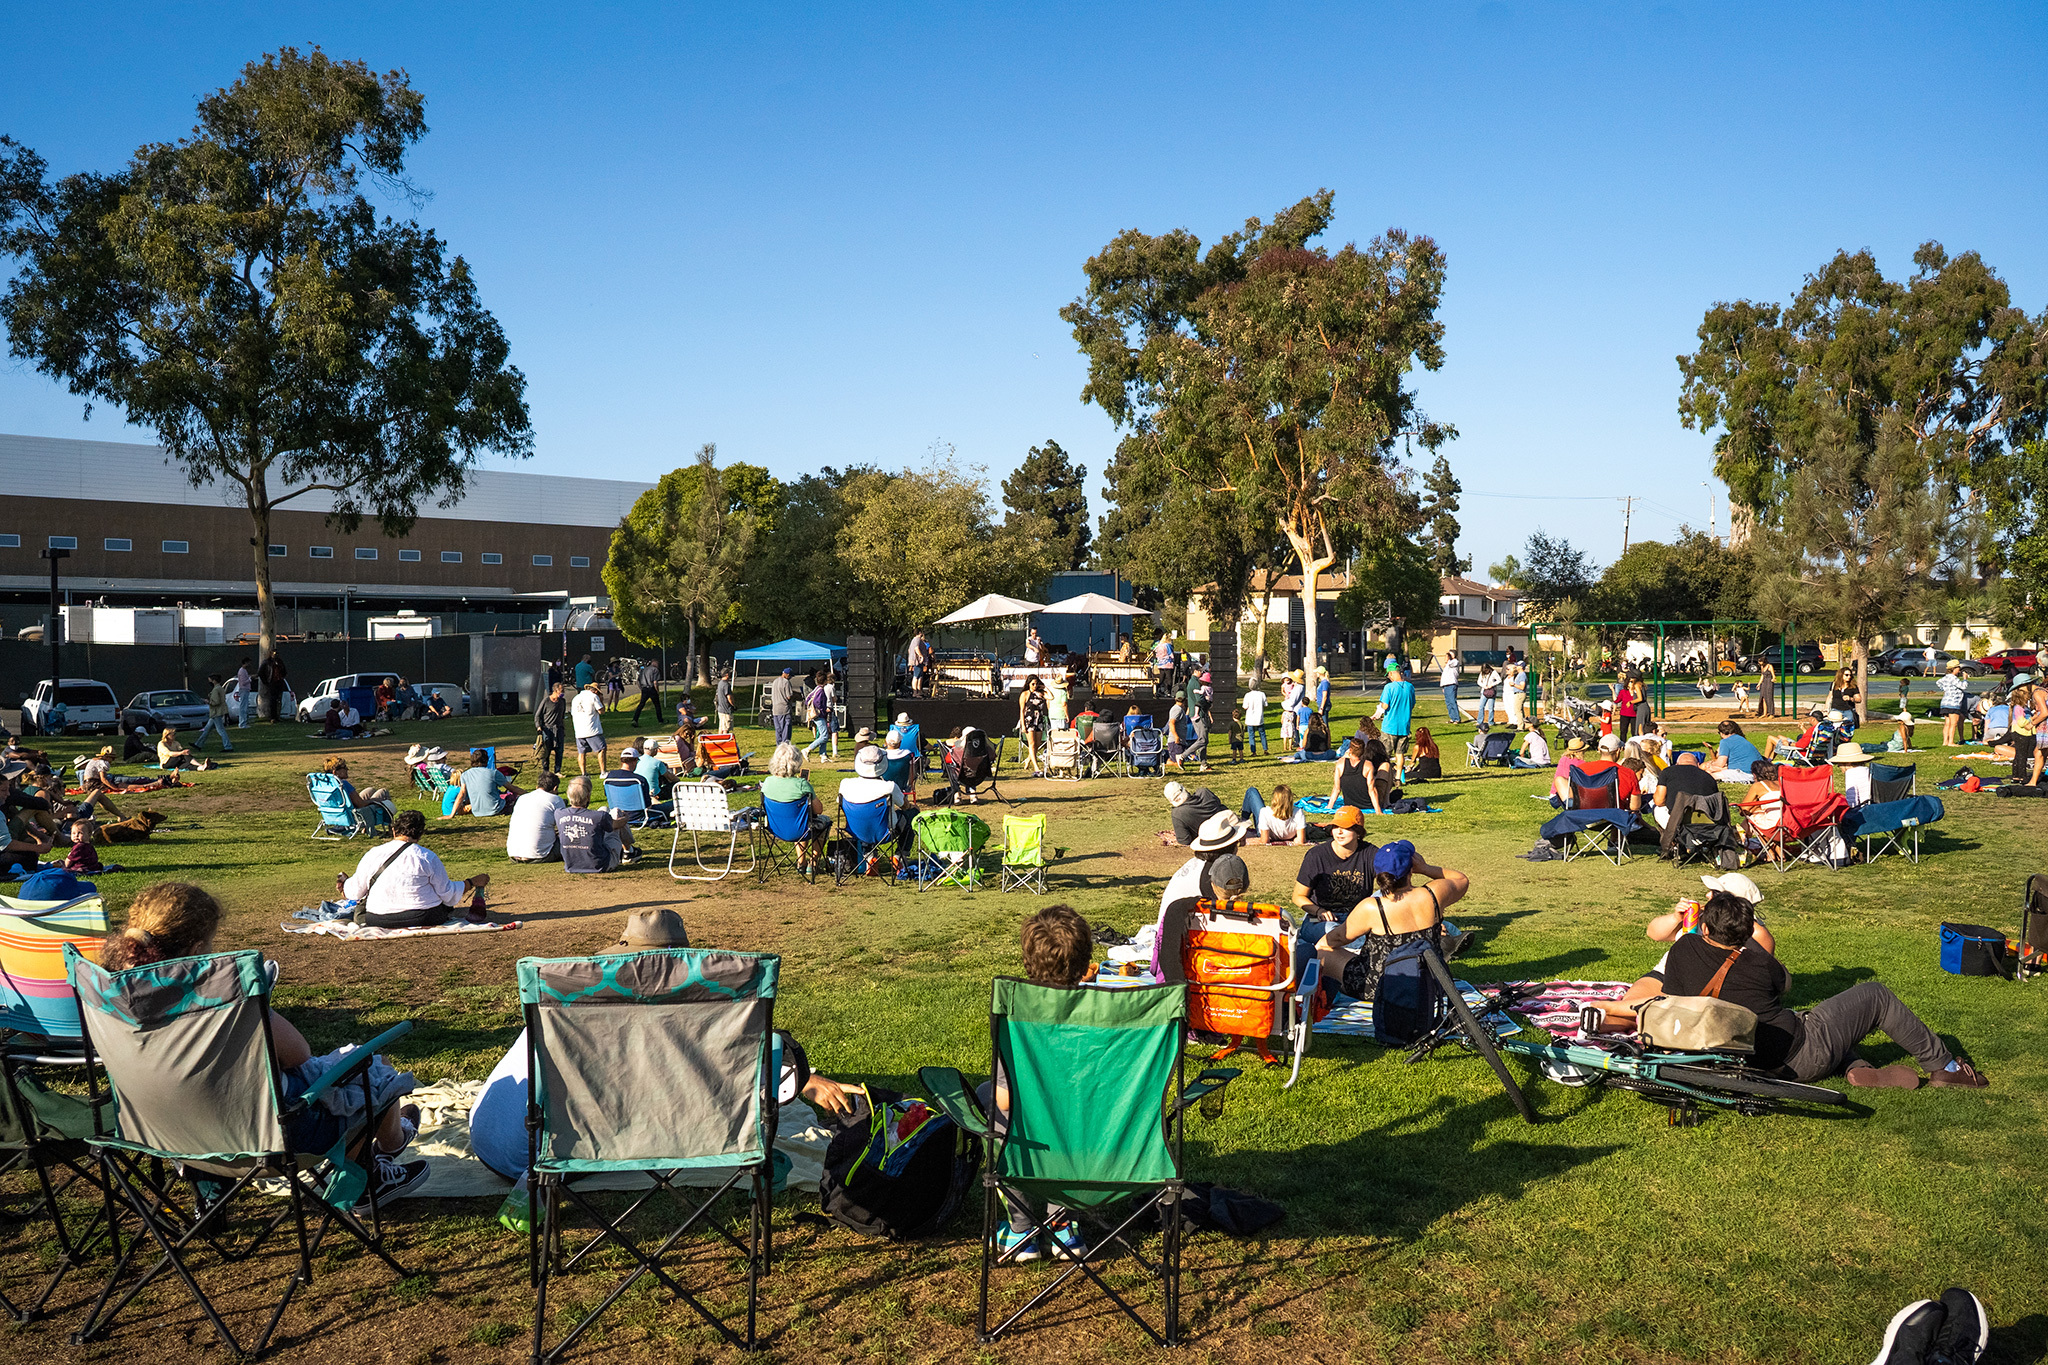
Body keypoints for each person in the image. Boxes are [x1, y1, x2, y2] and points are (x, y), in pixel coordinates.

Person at [466, 908, 859, 1186]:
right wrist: (801, 1081)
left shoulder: (569, 1000)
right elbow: (709, 1072)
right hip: (556, 1156)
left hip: (491, 1135)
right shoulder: (658, 1017)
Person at [100, 883, 427, 1202]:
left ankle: (211, 1198)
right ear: (196, 949)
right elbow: (298, 1053)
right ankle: (378, 1165)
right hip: (270, 1141)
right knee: (372, 1068)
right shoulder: (223, 998)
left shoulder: (112, 998)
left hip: (167, 1134)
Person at [1614, 888, 1985, 1089]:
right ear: (1747, 932)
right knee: (1873, 995)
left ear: (1705, 928)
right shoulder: (1760, 961)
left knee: (1826, 1024)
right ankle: (1945, 1066)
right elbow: (1783, 985)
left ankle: (1855, 1064)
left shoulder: (1683, 947)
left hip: (1727, 1056)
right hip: (1794, 1057)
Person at [982, 903, 1097, 1263]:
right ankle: (1062, 1223)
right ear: (1084, 963)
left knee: (988, 1097)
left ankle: (1020, 1229)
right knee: (1070, 1122)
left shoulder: (1019, 1019)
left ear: (1028, 962)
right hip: (1094, 1133)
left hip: (1033, 1131)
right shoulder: (1107, 1016)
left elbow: (1003, 1100)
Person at [1314, 841, 1469, 1001]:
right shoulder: (1433, 894)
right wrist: (1425, 867)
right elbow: (1461, 879)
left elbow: (1337, 938)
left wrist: (1319, 946)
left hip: (1382, 987)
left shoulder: (1372, 907)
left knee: (1321, 951)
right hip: (1429, 984)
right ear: (1411, 869)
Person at [342, 810, 491, 928]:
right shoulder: (426, 857)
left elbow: (354, 892)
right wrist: (472, 882)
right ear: (420, 834)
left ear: (394, 831)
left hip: (378, 918)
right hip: (423, 916)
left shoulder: (373, 854)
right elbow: (448, 894)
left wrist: (344, 884)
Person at [1291, 806, 1379, 923]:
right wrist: (1319, 911)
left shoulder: (1370, 853)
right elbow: (1298, 896)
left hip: (1357, 917)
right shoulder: (1316, 855)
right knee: (1335, 933)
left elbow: (1393, 881)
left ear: (1358, 831)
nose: (1339, 831)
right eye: (1336, 826)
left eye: (1345, 827)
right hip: (1320, 918)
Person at [761, 743, 830, 873]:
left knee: (801, 819)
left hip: (776, 829)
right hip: (800, 828)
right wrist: (806, 786)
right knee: (821, 820)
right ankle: (813, 863)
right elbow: (819, 810)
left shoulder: (768, 782)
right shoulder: (802, 784)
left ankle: (801, 862)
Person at [554, 776, 644, 872]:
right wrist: (626, 818)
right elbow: (617, 824)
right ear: (588, 796)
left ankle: (629, 851)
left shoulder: (559, 814)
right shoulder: (598, 816)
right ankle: (628, 851)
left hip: (572, 865)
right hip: (601, 865)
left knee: (604, 809)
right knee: (616, 812)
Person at [839, 744, 916, 854]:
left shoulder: (845, 784)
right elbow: (905, 806)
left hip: (855, 831)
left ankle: (869, 856)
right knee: (912, 813)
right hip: (885, 832)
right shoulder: (889, 786)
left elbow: (840, 804)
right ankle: (900, 856)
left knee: (864, 816)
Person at [444, 748, 521, 819]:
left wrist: (451, 815)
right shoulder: (494, 773)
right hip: (496, 809)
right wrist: (529, 794)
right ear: (487, 760)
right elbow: (512, 788)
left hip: (477, 812)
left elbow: (461, 795)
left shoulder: (465, 775)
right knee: (514, 797)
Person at [508, 772, 567, 862]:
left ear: (537, 786)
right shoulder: (556, 799)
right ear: (555, 788)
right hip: (541, 854)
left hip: (514, 853)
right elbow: (565, 826)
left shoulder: (522, 798)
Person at [1653, 750, 1721, 830]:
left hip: (1678, 819)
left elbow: (1659, 801)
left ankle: (1672, 836)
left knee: (1658, 808)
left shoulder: (1667, 772)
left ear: (1677, 764)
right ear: (1698, 765)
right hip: (1706, 820)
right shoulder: (1709, 777)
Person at [1374, 658, 1416, 782]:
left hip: (1390, 726)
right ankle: (1398, 777)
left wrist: (1379, 708)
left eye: (1389, 675)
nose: (1389, 677)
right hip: (1404, 726)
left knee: (1385, 754)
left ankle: (1384, 776)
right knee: (1400, 753)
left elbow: (1385, 705)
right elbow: (1412, 704)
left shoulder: (1389, 687)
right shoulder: (1410, 687)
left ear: (1392, 673)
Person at [1243, 783, 1322, 846]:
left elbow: (1264, 840)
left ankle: (1242, 823)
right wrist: (1294, 839)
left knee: (1252, 791)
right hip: (1289, 834)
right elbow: (1301, 840)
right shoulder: (1298, 812)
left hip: (1268, 833)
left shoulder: (1265, 812)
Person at [1330, 736, 1389, 815]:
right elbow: (1372, 790)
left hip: (1349, 804)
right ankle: (1387, 801)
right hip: (1368, 805)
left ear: (1350, 750)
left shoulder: (1340, 763)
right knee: (1386, 766)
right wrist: (1378, 811)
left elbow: (1336, 789)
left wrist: (1329, 807)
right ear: (1363, 751)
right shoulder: (1368, 765)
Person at [1160, 780, 1226, 847]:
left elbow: (1184, 841)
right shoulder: (1205, 792)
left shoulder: (1177, 814)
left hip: (1210, 840)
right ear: (1184, 790)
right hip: (1228, 829)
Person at [570, 682, 607, 776]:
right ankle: (603, 772)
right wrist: (601, 700)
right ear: (595, 691)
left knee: (581, 752)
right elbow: (601, 711)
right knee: (601, 749)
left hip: (579, 730)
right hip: (592, 729)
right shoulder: (594, 697)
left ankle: (584, 773)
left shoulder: (576, 698)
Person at [802, 671, 838, 760]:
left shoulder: (816, 688)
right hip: (819, 716)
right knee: (825, 736)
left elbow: (807, 699)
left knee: (823, 734)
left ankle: (823, 755)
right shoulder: (821, 691)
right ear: (825, 681)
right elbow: (817, 702)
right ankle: (808, 749)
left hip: (817, 715)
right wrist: (824, 710)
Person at [534, 681, 567, 775]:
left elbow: (562, 716)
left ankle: (558, 770)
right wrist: (538, 727)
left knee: (559, 751)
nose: (563, 693)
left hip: (559, 729)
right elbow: (537, 715)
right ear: (555, 691)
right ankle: (546, 771)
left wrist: (563, 728)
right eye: (561, 691)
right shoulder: (546, 701)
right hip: (547, 730)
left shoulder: (562, 702)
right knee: (546, 751)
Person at [1833, 741, 1878, 806]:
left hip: (1865, 809)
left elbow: (1852, 802)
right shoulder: (1869, 771)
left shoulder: (1851, 774)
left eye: (1839, 765)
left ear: (1847, 763)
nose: (1840, 768)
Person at [197, 674, 234, 753]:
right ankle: (198, 744)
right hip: (216, 712)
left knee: (221, 730)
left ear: (214, 681)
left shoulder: (216, 689)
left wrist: (208, 702)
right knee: (207, 729)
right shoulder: (220, 688)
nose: (209, 682)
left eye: (210, 680)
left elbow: (216, 702)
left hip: (216, 712)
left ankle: (228, 746)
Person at [1937, 660, 1970, 747]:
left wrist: (1946, 689)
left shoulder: (1945, 677)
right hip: (1953, 702)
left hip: (1945, 702)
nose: (1959, 670)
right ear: (1954, 669)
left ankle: (1945, 742)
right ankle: (1951, 742)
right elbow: (1963, 686)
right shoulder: (1953, 678)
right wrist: (1965, 679)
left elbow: (1938, 682)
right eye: (1958, 668)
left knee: (1947, 723)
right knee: (1953, 723)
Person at [630, 657, 666, 726]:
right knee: (657, 705)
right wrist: (657, 691)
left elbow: (638, 681)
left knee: (641, 704)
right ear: (654, 662)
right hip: (651, 688)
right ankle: (660, 720)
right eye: (657, 663)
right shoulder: (655, 670)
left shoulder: (644, 670)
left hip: (644, 689)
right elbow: (655, 682)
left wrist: (641, 688)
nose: (658, 665)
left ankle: (635, 719)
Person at [769, 667, 795, 748]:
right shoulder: (786, 682)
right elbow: (789, 696)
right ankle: (785, 747)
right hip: (784, 709)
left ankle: (779, 747)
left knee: (778, 730)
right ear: (786, 675)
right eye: (790, 676)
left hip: (775, 709)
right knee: (785, 730)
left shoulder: (775, 681)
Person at [259, 653, 288, 723]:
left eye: (276, 654)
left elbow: (284, 671)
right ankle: (272, 717)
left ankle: (277, 716)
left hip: (279, 682)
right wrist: (266, 681)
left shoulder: (279, 662)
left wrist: (281, 677)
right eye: (274, 654)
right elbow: (260, 672)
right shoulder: (267, 662)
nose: (275, 655)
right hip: (272, 682)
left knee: (278, 699)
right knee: (272, 700)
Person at [1242, 679, 1269, 756]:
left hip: (1250, 718)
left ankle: (1253, 751)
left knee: (1251, 735)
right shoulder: (1262, 694)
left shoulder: (1247, 695)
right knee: (1262, 734)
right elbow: (1266, 705)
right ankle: (1265, 749)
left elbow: (1245, 706)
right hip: (1259, 717)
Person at [1476, 663, 1502, 728]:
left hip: (1491, 691)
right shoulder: (1482, 673)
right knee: (1481, 706)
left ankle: (1491, 721)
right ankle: (1480, 721)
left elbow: (1499, 680)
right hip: (1484, 691)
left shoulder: (1494, 673)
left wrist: (1492, 685)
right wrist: (1484, 686)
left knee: (1491, 707)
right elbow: (1479, 681)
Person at [1438, 655, 1461, 724]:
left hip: (1451, 684)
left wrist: (1450, 659)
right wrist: (1443, 686)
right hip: (1446, 685)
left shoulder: (1454, 662)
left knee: (1452, 701)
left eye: (1446, 657)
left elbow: (1453, 662)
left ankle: (1457, 718)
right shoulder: (1447, 666)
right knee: (1448, 702)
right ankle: (1452, 717)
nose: (1444, 658)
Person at [1613, 676, 1638, 742]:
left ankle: (1634, 744)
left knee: (1634, 731)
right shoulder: (1623, 692)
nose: (1632, 683)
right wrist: (1613, 690)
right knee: (1623, 731)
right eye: (1631, 682)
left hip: (1635, 714)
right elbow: (1616, 701)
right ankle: (1622, 744)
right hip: (1624, 714)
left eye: (1633, 682)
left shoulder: (1637, 692)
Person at [713, 666, 734, 735]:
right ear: (727, 675)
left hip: (720, 709)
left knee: (721, 727)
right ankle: (724, 742)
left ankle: (719, 741)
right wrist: (733, 705)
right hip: (726, 710)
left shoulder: (720, 683)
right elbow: (729, 697)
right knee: (726, 728)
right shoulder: (726, 685)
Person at [234, 658, 254, 728]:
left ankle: (244, 722)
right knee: (243, 707)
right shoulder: (242, 671)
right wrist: (250, 678)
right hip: (243, 690)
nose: (249, 664)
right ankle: (242, 723)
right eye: (248, 663)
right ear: (245, 663)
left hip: (246, 690)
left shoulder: (244, 671)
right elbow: (243, 683)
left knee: (245, 706)